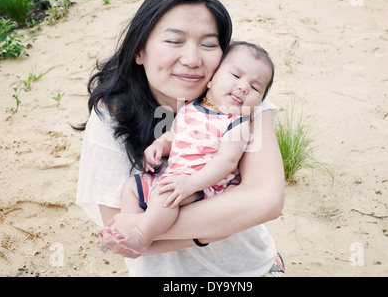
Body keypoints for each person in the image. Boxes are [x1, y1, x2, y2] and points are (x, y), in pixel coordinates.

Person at [76, 0, 285, 276]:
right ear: (139, 50)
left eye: (209, 44)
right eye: (174, 41)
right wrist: (220, 223)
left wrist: (145, 231)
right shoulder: (111, 116)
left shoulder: (242, 99)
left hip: (249, 271)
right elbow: (115, 224)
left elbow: (266, 201)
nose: (192, 60)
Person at [104, 41, 275, 254]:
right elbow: (173, 134)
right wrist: (159, 146)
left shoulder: (235, 124)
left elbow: (227, 160)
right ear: (211, 80)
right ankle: (127, 229)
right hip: (176, 175)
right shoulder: (191, 107)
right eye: (235, 76)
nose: (243, 87)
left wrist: (192, 183)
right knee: (133, 186)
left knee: (166, 196)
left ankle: (141, 235)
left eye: (255, 87)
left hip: (204, 185)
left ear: (259, 102)